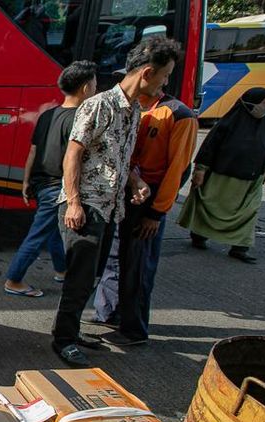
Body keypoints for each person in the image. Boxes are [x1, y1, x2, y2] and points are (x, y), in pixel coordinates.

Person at [51, 36, 178, 366]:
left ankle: (70, 330)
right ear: (147, 73)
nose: (166, 83)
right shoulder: (99, 105)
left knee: (91, 277)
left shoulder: (134, 110)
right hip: (86, 206)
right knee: (79, 279)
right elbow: (73, 154)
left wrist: (136, 181)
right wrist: (74, 203)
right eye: (165, 75)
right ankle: (63, 340)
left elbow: (119, 159)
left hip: (111, 208)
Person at [90, 42, 196, 346]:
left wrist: (156, 213)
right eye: (165, 74)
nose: (166, 81)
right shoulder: (131, 107)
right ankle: (108, 312)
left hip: (148, 203)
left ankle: (133, 329)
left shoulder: (178, 115)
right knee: (115, 259)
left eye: (168, 75)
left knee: (137, 267)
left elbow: (177, 171)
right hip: (123, 195)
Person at [4, 61, 97, 297]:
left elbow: (33, 151)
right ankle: (14, 279)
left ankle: (62, 270)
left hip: (40, 183)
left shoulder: (48, 115)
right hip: (58, 186)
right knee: (38, 235)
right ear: (85, 87)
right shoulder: (80, 118)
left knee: (53, 230)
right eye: (95, 82)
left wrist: (26, 182)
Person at [178, 87, 265, 264]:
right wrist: (200, 170)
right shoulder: (228, 123)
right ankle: (199, 235)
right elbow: (209, 148)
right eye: (264, 103)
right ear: (251, 104)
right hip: (222, 178)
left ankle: (240, 247)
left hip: (252, 180)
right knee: (210, 208)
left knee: (249, 212)